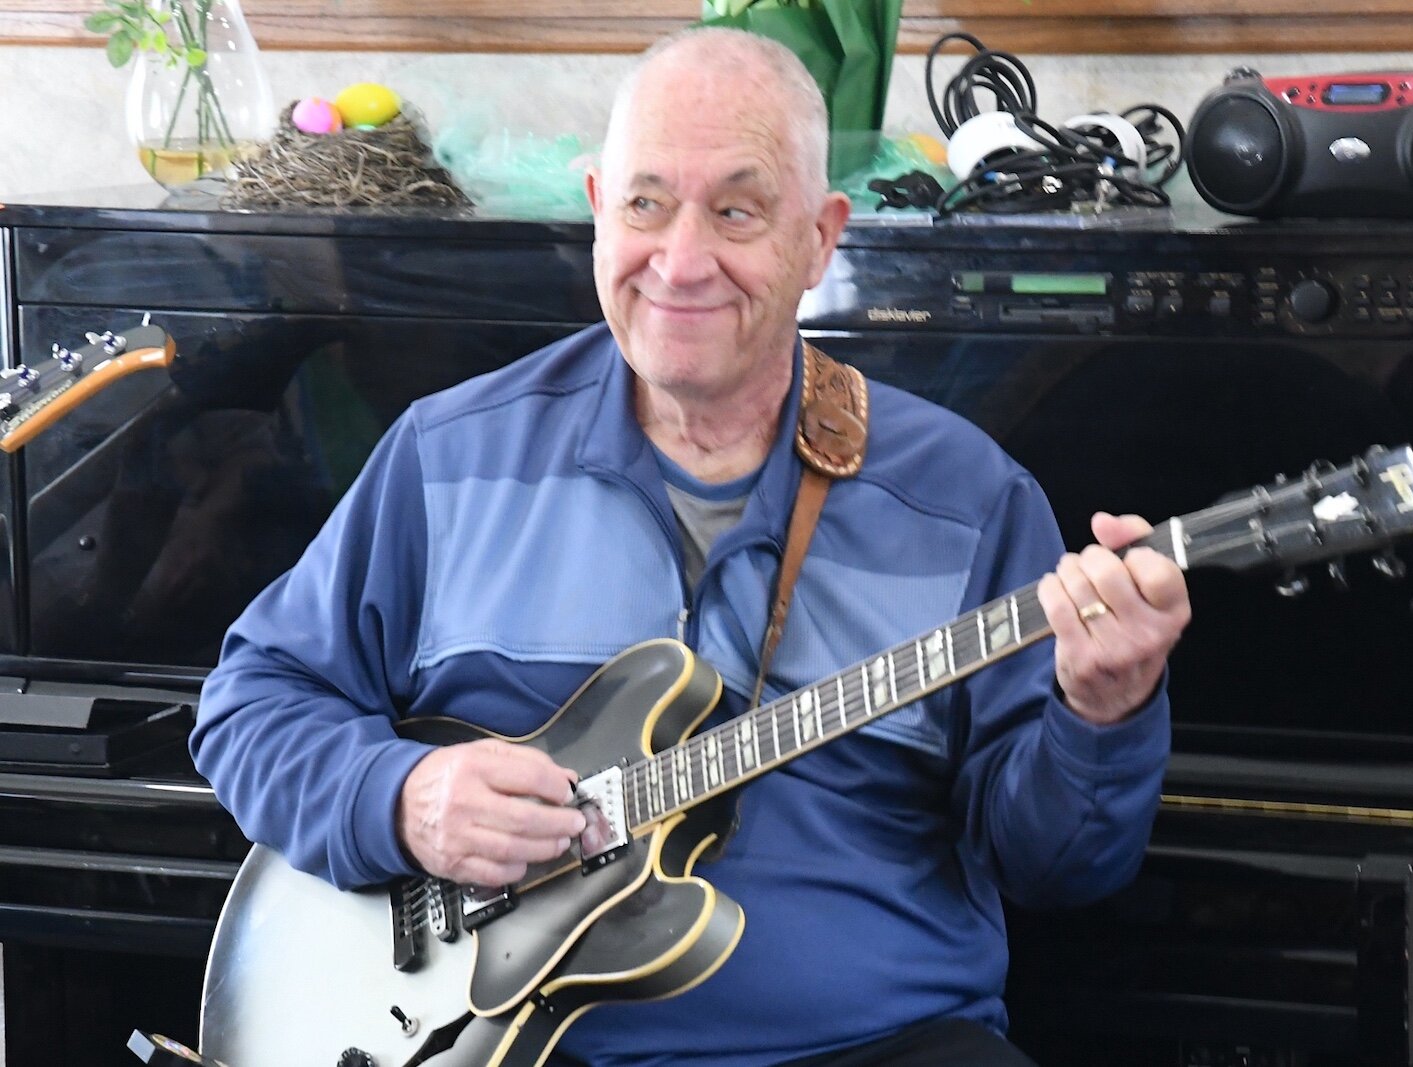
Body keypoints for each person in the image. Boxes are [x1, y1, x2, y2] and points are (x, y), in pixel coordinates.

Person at [192, 27, 1191, 1067]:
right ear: (593, 210)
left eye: (736, 211)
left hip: (876, 1043)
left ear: (819, 237)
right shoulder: (445, 457)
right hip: (506, 1045)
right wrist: (397, 799)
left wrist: (1101, 709)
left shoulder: (969, 498)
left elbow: (1058, 869)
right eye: (645, 203)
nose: (679, 260)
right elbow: (254, 698)